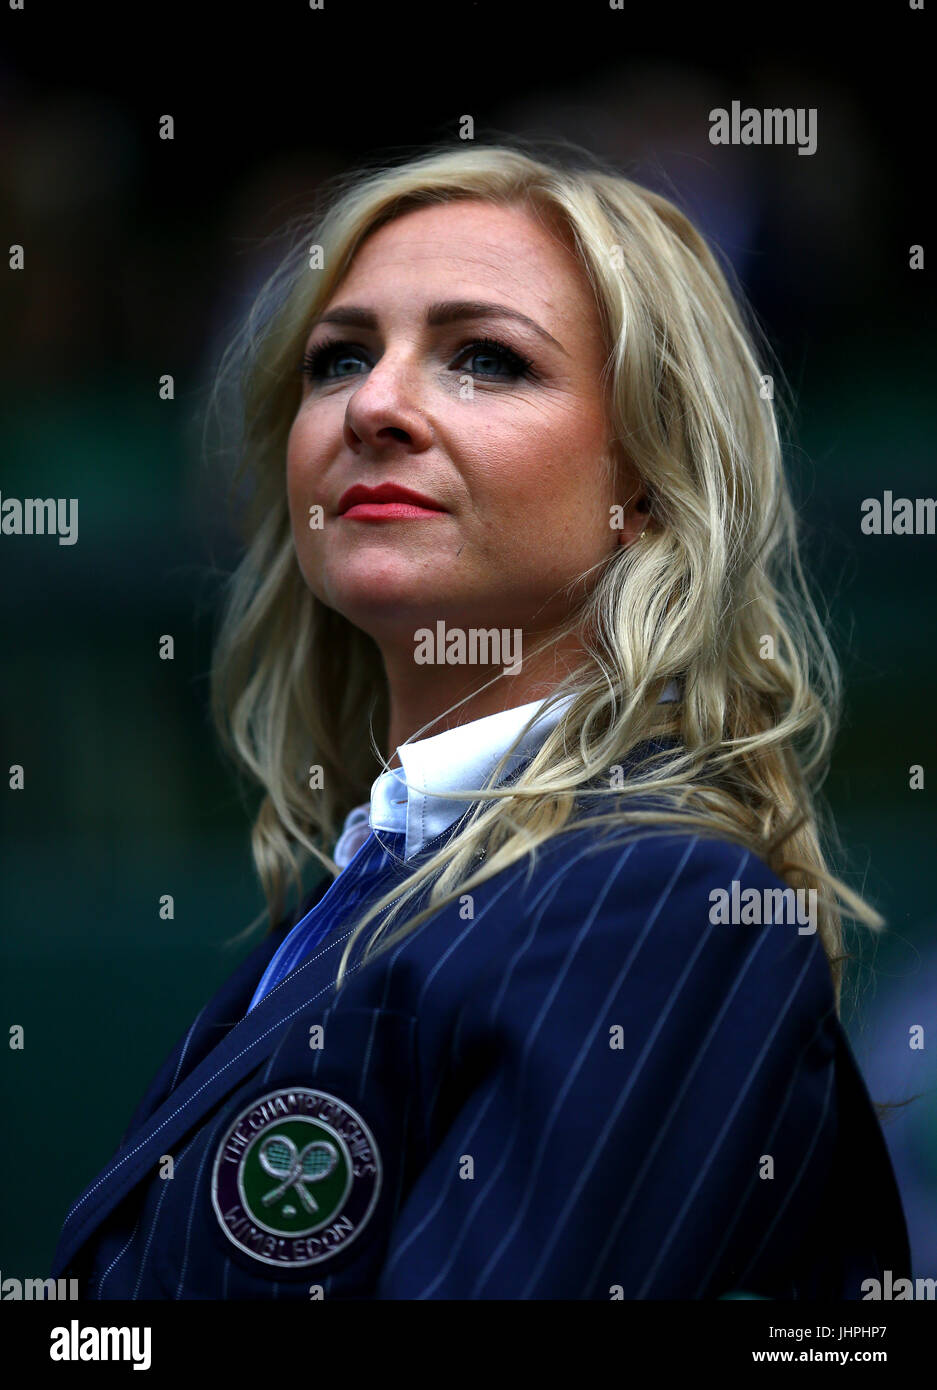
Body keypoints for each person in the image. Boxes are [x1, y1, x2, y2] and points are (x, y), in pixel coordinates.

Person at [51, 141, 910, 1299]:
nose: (375, 403)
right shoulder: (379, 875)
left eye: (486, 360)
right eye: (338, 357)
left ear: (647, 493)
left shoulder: (653, 898)